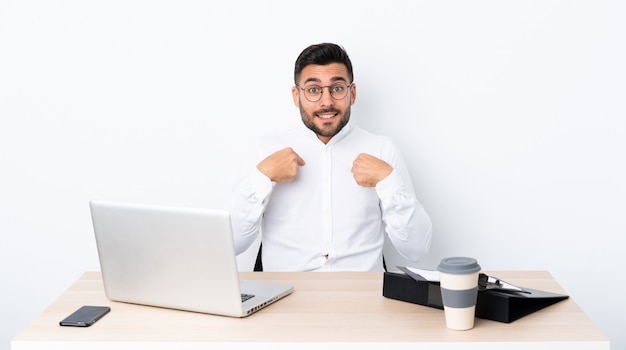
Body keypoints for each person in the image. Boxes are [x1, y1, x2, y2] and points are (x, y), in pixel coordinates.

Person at [228, 43, 432, 272]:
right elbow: (232, 244)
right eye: (314, 90)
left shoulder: (382, 149)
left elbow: (416, 250)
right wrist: (261, 177)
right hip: (284, 297)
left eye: (337, 88)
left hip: (365, 300)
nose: (326, 102)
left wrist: (389, 181)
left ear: (352, 93)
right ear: (296, 96)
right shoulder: (264, 149)